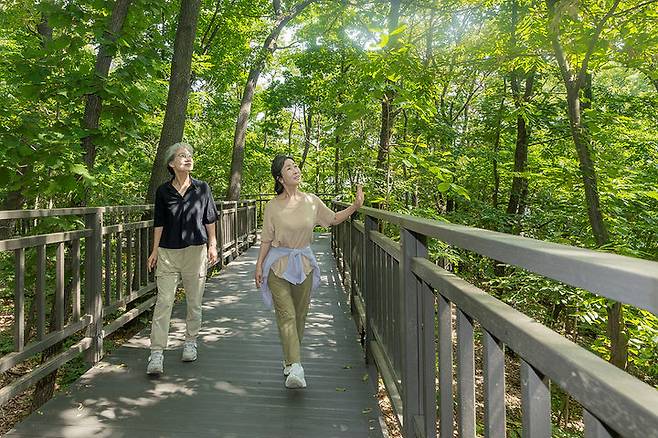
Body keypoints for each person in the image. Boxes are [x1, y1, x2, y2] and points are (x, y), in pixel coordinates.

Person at [254, 155, 364, 389]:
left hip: (303, 264)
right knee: (287, 315)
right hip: (277, 264)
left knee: (300, 316)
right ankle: (296, 367)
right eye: (289, 168)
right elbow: (266, 239)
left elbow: (333, 219)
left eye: (296, 166)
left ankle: (289, 360)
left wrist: (355, 206)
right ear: (280, 178)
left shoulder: (311, 201)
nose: (296, 170)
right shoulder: (272, 206)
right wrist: (258, 266)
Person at [145, 142, 218, 376]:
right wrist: (155, 250)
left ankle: (190, 341)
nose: (187, 158)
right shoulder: (163, 191)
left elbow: (210, 219)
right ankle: (156, 352)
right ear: (171, 164)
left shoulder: (202, 188)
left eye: (189, 155)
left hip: (195, 252)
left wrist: (213, 245)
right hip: (167, 252)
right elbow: (159, 222)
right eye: (182, 156)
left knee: (194, 301)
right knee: (164, 302)